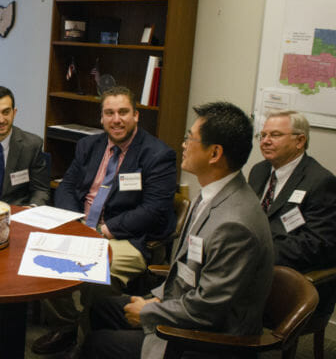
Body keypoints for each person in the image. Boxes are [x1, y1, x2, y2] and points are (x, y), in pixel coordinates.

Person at [81, 101, 274, 359]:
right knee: (101, 307)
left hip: (209, 339)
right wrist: (158, 301)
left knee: (97, 344)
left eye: (190, 138)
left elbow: (208, 310)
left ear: (214, 153)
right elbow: (186, 274)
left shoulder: (235, 225)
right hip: (182, 306)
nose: (183, 145)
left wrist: (149, 311)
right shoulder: (214, 193)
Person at [32, 86, 177, 355]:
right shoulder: (89, 146)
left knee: (96, 273)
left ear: (136, 115)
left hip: (126, 237)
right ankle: (69, 327)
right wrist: (74, 223)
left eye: (123, 112)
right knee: (41, 261)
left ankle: (88, 345)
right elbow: (66, 186)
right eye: (109, 113)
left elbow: (154, 209)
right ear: (101, 118)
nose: (116, 119)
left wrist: (104, 230)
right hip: (82, 227)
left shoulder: (157, 154)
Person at [248, 110, 336, 319]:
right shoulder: (259, 171)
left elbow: (316, 245)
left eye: (275, 135)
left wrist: (255, 253)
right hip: (255, 269)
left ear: (300, 141)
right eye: (262, 135)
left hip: (294, 282)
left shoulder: (321, 182)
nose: (265, 141)